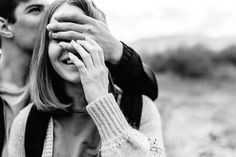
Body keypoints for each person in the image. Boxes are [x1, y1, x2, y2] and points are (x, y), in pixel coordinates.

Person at [0, 0, 158, 156]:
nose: (72, 46)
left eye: (81, 35)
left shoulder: (139, 106)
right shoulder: (27, 119)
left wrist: (116, 51)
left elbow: (147, 86)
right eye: (35, 9)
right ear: (3, 26)